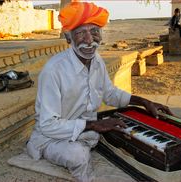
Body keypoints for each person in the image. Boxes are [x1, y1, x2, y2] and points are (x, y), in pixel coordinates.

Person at [27, 2, 173, 182]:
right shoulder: (53, 71)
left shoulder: (96, 61)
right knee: (78, 156)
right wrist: (93, 125)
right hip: (50, 137)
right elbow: (48, 125)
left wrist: (143, 102)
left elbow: (110, 93)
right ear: (69, 38)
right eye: (81, 33)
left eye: (95, 31)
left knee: (115, 133)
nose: (90, 40)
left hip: (82, 128)